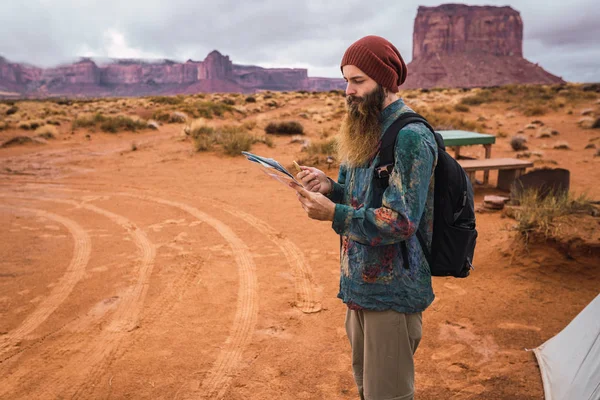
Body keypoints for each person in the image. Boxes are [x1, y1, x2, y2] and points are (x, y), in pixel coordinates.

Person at [290, 35, 438, 400]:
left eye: (358, 81)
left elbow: (400, 220)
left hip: (392, 292)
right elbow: (357, 198)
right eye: (345, 80)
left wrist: (333, 214)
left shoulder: (410, 137)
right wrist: (329, 187)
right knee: (366, 388)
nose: (347, 91)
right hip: (358, 286)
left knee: (387, 394)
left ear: (385, 81)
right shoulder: (364, 127)